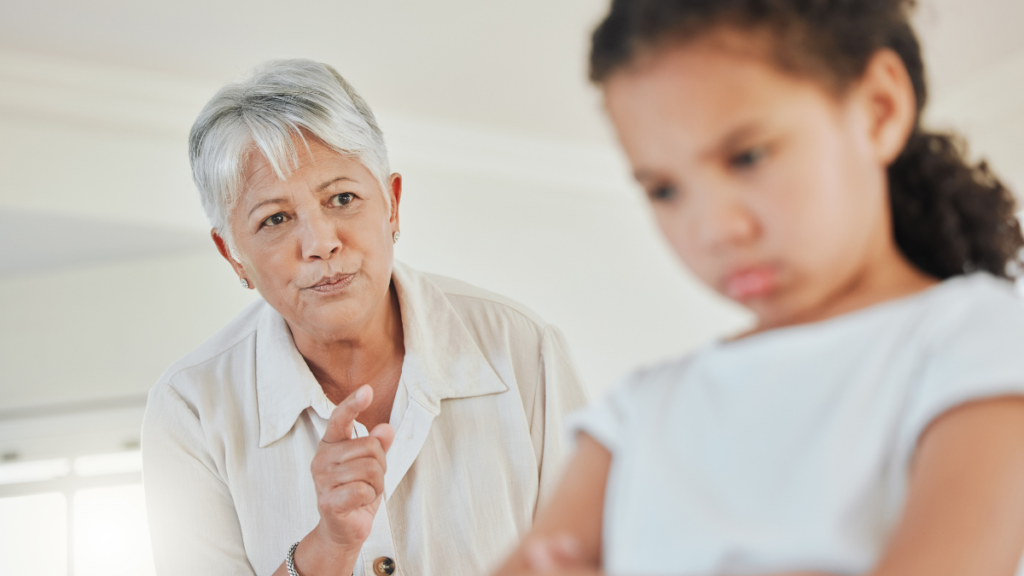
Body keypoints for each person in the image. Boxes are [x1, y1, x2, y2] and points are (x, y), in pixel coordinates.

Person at [495, 1, 1024, 575]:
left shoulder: (978, 343)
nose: (715, 229)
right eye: (665, 190)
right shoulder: (643, 409)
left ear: (878, 109)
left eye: (748, 156)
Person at [141, 59, 588, 576]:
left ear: (392, 206)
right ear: (233, 255)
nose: (322, 243)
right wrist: (328, 547)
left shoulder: (523, 349)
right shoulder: (189, 409)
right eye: (276, 219)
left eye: (343, 198)